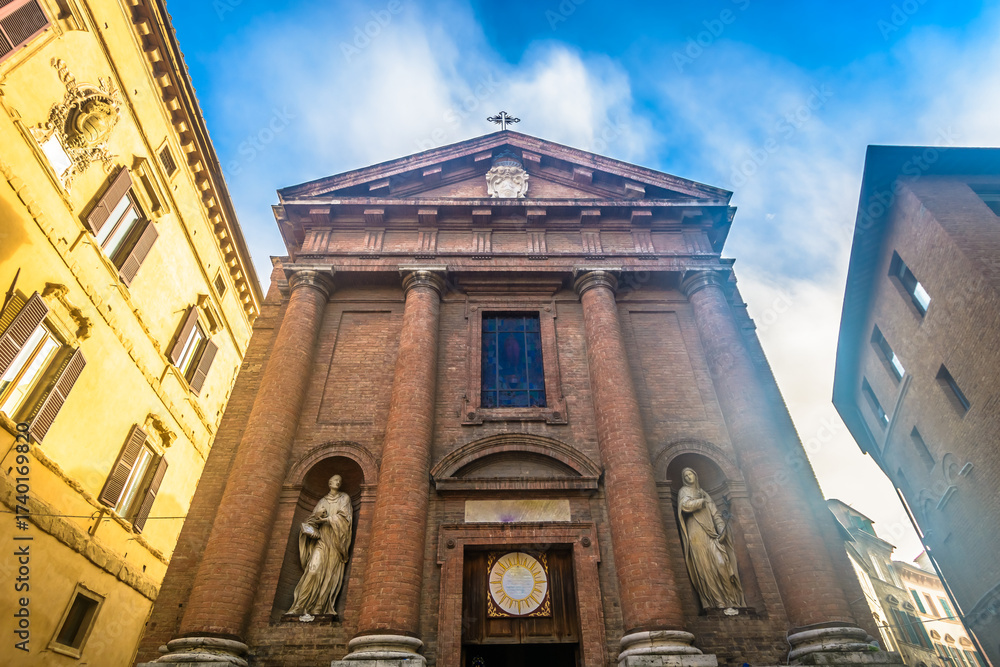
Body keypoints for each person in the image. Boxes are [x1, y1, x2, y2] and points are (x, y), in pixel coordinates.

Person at [677, 467, 746, 609]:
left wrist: (721, 529)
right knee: (705, 567)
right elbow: (684, 506)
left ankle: (731, 600)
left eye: (691, 473)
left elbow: (715, 514)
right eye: (686, 475)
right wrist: (700, 502)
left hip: (711, 533)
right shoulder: (684, 491)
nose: (689, 477)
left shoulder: (704, 494)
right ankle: (717, 602)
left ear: (695, 475)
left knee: (721, 564)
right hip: (696, 533)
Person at [287, 474, 353, 619]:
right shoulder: (322, 501)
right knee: (313, 570)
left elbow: (345, 518)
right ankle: (299, 606)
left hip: (335, 541)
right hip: (322, 539)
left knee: (330, 573)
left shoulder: (344, 498)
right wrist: (313, 524)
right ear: (329, 482)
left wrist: (328, 519)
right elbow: (312, 520)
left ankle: (319, 607)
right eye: (335, 480)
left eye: (339, 481)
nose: (337, 482)